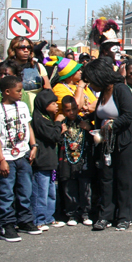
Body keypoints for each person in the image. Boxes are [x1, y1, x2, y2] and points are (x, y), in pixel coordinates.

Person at [85, 58, 132, 231]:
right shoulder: (103, 92)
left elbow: (128, 115)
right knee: (106, 177)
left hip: (128, 139)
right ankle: (105, 216)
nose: (90, 85)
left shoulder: (121, 89)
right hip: (107, 141)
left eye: (91, 80)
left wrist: (110, 125)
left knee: (126, 178)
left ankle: (125, 216)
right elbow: (100, 115)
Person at [0, 76, 42, 242]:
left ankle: (25, 220)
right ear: (6, 92)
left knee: (25, 190)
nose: (21, 93)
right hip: (7, 157)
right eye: (18, 90)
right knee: (6, 192)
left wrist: (33, 146)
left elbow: (28, 126)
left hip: (23, 155)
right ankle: (6, 224)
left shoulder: (23, 106)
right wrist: (1, 159)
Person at [30, 91, 64, 231]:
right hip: (42, 161)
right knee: (40, 191)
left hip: (50, 161)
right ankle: (39, 219)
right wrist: (58, 124)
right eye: (53, 103)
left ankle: (49, 217)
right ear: (44, 105)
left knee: (51, 191)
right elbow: (53, 136)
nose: (56, 106)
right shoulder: (39, 119)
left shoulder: (47, 118)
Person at [57, 96, 93, 226]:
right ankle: (72, 214)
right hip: (67, 159)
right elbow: (56, 140)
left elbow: (94, 138)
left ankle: (86, 213)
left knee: (85, 187)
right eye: (68, 110)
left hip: (83, 159)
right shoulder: (62, 123)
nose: (71, 112)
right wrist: (61, 131)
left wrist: (89, 128)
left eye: (74, 109)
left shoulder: (84, 121)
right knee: (69, 188)